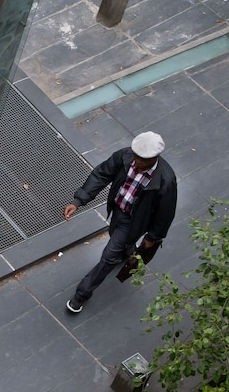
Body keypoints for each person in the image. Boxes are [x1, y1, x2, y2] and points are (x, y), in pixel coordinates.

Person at [62, 131, 177, 313]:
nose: (137, 162)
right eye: (136, 156)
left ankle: (81, 295)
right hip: (118, 211)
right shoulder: (125, 156)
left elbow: (166, 212)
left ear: (155, 157)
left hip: (134, 221)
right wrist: (78, 201)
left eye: (143, 159)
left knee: (108, 257)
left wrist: (153, 236)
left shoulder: (166, 180)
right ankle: (127, 250)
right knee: (116, 238)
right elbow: (101, 174)